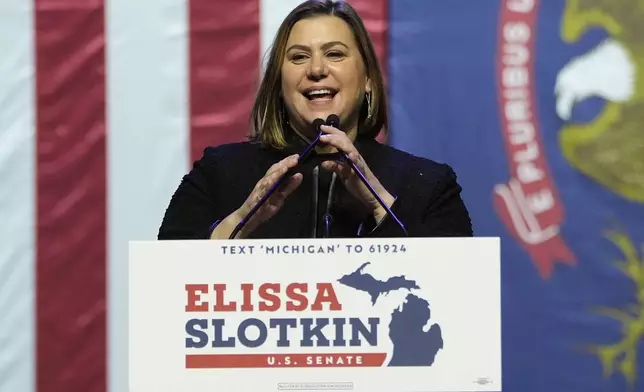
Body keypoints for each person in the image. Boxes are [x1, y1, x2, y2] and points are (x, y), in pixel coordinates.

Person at [158, 0, 473, 240]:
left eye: (335, 54)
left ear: (367, 80)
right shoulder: (219, 174)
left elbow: (456, 296)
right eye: (298, 57)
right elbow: (164, 283)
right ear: (278, 83)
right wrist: (242, 219)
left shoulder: (428, 185)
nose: (316, 69)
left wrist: (380, 204)